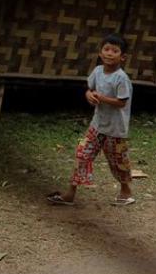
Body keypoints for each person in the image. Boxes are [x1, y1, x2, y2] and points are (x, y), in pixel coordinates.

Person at [47, 33, 134, 206]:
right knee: (82, 154)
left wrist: (100, 97)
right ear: (100, 53)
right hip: (96, 125)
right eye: (106, 49)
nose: (109, 53)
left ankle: (126, 191)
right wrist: (88, 95)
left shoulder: (121, 78)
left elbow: (121, 102)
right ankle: (70, 194)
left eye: (114, 51)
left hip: (115, 130)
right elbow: (89, 88)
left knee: (118, 162)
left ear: (122, 57)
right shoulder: (97, 71)